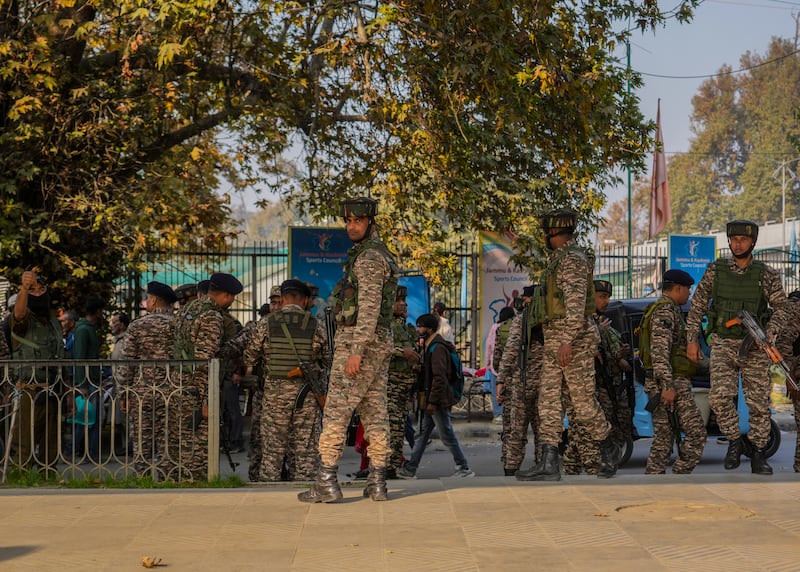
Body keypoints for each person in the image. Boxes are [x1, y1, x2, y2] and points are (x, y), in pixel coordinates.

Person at [298, 196, 398, 503]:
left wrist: (356, 350)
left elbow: (368, 308)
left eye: (357, 221)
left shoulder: (368, 259)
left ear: (371, 223)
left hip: (360, 343)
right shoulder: (377, 255)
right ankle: (378, 482)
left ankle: (326, 481)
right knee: (375, 411)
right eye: (348, 221)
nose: (351, 226)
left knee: (337, 413)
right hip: (377, 344)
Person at [516, 209, 619, 481]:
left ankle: (608, 448)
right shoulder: (558, 259)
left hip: (572, 342)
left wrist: (567, 341)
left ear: (552, 233)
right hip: (555, 340)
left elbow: (574, 305)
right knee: (548, 402)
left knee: (583, 403)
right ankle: (549, 463)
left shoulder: (572, 259)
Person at [686, 220, 787, 475]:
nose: (738, 244)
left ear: (752, 242)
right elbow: (696, 305)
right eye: (734, 239)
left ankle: (759, 454)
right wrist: (691, 339)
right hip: (722, 342)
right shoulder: (716, 270)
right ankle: (734, 440)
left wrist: (771, 330)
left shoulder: (765, 273)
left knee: (758, 404)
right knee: (719, 397)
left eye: (743, 239)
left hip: (755, 345)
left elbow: (783, 307)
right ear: (729, 241)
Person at [243, 279, 328, 481]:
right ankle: (304, 489)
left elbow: (250, 358)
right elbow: (326, 359)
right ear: (306, 300)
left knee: (272, 449)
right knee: (305, 449)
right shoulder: (316, 325)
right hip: (306, 395)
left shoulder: (266, 323)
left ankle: (269, 493)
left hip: (274, 395)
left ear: (282, 298)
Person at [171, 272, 243, 481]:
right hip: (197, 389)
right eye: (232, 298)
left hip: (179, 383)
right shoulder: (212, 315)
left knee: (182, 439)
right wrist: (206, 400)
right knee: (199, 445)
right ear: (227, 295)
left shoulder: (190, 308)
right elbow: (205, 362)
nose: (231, 303)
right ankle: (196, 485)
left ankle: (179, 480)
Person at [562, 279, 632, 475]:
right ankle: (592, 474)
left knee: (578, 437)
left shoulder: (595, 323)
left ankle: (572, 473)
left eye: (608, 297)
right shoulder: (581, 322)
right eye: (602, 297)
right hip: (582, 391)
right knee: (586, 436)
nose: (607, 301)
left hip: (594, 390)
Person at [643, 269, 707, 474]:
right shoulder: (665, 311)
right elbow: (659, 352)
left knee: (664, 437)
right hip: (670, 382)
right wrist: (668, 387)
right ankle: (679, 473)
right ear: (678, 288)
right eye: (687, 289)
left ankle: (655, 477)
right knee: (696, 432)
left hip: (665, 381)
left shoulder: (666, 309)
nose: (689, 293)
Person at [397, 313, 474, 479]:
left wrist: (432, 402)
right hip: (431, 400)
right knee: (422, 435)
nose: (418, 330)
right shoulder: (430, 346)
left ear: (430, 329)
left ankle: (463, 466)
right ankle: (410, 469)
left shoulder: (437, 348)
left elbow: (439, 378)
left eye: (420, 326)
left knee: (446, 434)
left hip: (437, 400)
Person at [119, 281, 177, 475]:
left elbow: (128, 362)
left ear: (153, 300)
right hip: (172, 391)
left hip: (143, 393)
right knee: (167, 439)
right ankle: (166, 477)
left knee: (142, 441)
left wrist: (123, 393)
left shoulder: (137, 326)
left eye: (147, 298)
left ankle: (142, 480)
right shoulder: (179, 325)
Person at [8, 269, 64, 470]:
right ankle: (21, 479)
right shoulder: (22, 321)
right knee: (24, 444)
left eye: (41, 290)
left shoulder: (54, 323)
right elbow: (19, 313)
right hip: (28, 390)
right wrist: (24, 287)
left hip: (52, 390)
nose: (38, 294)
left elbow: (61, 356)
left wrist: (68, 390)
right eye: (34, 290)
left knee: (51, 445)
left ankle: (47, 477)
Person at [496, 291, 542, 476]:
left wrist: (501, 380)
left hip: (521, 384)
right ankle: (543, 466)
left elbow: (508, 352)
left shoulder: (519, 320)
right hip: (546, 385)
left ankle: (511, 469)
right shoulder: (551, 320)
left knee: (516, 430)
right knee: (543, 432)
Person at [386, 286, 420, 478]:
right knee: (391, 428)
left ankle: (393, 466)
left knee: (398, 429)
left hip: (404, 388)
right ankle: (385, 468)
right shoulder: (385, 325)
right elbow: (380, 349)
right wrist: (402, 352)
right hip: (390, 385)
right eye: (398, 300)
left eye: (404, 300)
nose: (403, 304)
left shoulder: (405, 327)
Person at [71, 296, 106, 459]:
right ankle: (75, 449)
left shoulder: (89, 328)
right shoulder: (84, 330)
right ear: (98, 311)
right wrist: (82, 384)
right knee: (86, 418)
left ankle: (89, 450)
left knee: (90, 417)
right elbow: (80, 357)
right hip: (88, 381)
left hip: (92, 379)